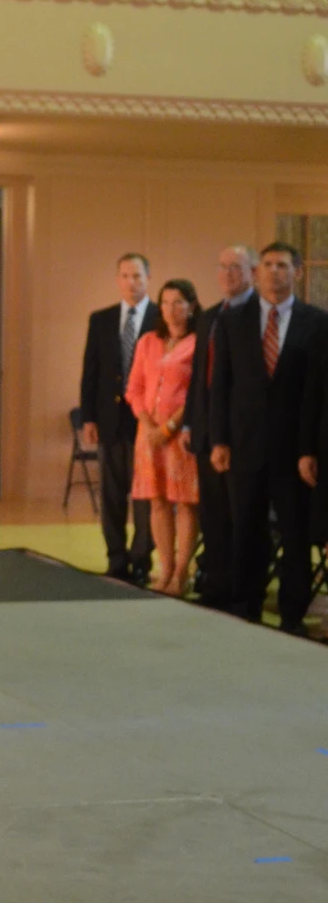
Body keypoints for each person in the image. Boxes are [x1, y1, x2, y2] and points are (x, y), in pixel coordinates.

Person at [210, 240, 328, 632]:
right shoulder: (232, 321)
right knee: (246, 530)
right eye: (267, 264)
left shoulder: (317, 323)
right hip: (244, 447)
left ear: (297, 272)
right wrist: (219, 440)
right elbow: (220, 386)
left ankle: (292, 614)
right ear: (256, 272)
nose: (274, 271)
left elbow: (318, 391)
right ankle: (246, 606)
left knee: (295, 537)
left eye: (282, 265)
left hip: (294, 451)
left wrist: (310, 449)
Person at [180, 245, 257, 609]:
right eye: (223, 267)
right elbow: (199, 378)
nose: (228, 274)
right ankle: (216, 586)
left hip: (242, 435)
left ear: (252, 272)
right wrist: (190, 423)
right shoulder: (209, 317)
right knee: (213, 515)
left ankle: (243, 592)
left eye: (237, 268)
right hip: (206, 429)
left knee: (242, 516)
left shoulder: (260, 317)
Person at [78, 253, 160, 582]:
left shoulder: (160, 318)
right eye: (125, 275)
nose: (132, 282)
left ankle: (141, 560)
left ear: (148, 278)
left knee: (144, 496)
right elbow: (90, 372)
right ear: (117, 279)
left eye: (138, 275)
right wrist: (89, 418)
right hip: (110, 422)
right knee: (111, 496)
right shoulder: (101, 319)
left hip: (147, 423)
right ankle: (116, 558)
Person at [126, 279, 201, 594]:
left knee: (184, 503)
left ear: (192, 307)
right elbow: (135, 389)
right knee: (156, 502)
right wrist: (148, 424)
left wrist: (168, 428)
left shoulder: (199, 342)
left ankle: (182, 572)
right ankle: (166, 567)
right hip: (148, 434)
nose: (172, 310)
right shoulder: (148, 341)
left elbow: (197, 392)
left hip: (179, 435)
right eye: (166, 302)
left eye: (179, 302)